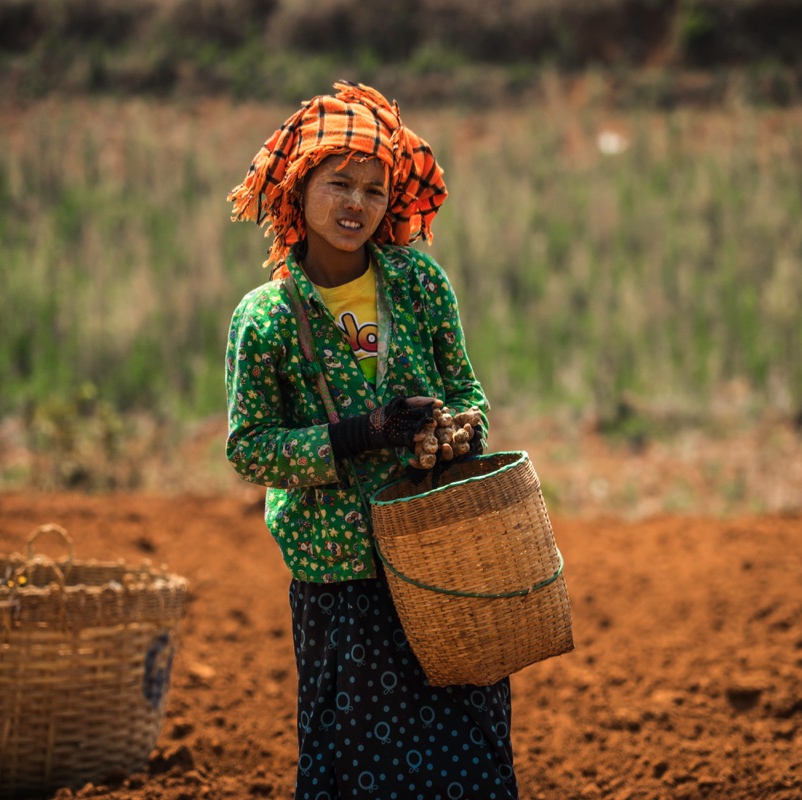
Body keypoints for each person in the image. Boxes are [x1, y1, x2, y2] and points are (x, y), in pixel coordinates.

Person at [224, 81, 517, 800]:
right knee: (357, 767)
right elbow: (250, 448)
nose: (356, 204)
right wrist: (366, 432)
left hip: (443, 556)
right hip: (341, 577)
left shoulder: (419, 283)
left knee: (470, 756)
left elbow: (470, 395)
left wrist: (453, 432)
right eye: (339, 184)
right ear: (300, 189)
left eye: (374, 190)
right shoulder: (266, 319)